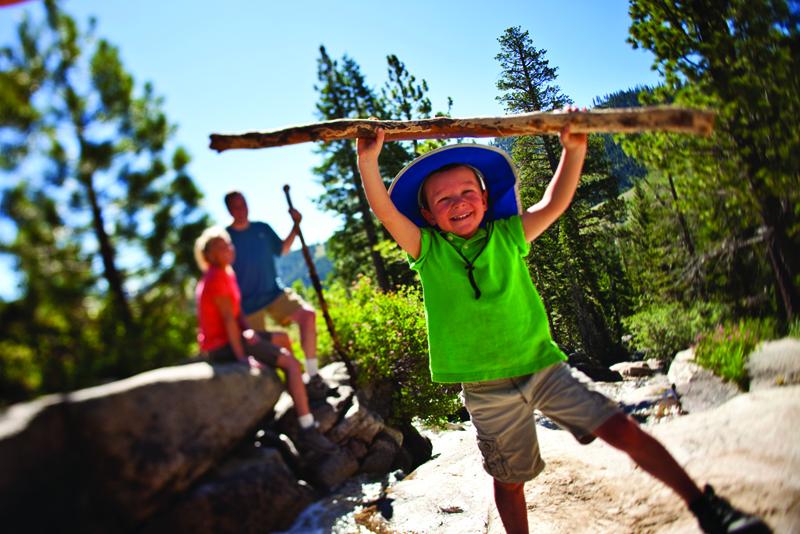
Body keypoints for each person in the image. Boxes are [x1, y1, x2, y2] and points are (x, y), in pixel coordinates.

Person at [356, 112, 769, 534]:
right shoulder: (428, 250)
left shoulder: (509, 235)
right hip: (484, 387)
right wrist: (368, 163)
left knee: (619, 428)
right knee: (509, 478)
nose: (458, 202)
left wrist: (574, 150)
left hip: (543, 367)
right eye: (444, 200)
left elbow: (552, 205)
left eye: (467, 191)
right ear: (427, 213)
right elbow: (386, 213)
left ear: (485, 196)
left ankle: (706, 507)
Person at [193, 226, 335, 454]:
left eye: (228, 244)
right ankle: (307, 429)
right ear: (209, 254)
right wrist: (243, 359)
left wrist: (251, 333)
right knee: (288, 362)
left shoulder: (227, 273)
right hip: (223, 346)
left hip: (235, 336)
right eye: (221, 247)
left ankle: (298, 393)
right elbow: (229, 321)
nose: (229, 249)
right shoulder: (216, 277)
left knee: (282, 337)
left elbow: (238, 314)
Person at [223, 191, 327, 398]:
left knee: (308, 315)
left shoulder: (261, 228)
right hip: (247, 306)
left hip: (274, 293)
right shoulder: (226, 239)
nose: (241, 210)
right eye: (235, 207)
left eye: (243, 204)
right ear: (229, 210)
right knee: (265, 354)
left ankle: (313, 376)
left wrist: (296, 225)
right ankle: (289, 390)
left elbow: (283, 249)